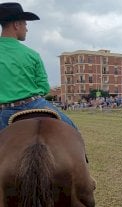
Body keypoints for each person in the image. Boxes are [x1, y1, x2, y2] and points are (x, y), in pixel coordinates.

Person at [0, 2, 77, 130]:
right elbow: (44, 87)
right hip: (34, 105)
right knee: (73, 131)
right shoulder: (32, 55)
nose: (27, 28)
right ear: (16, 24)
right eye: (25, 24)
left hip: (2, 111)